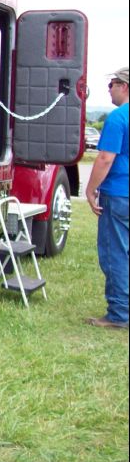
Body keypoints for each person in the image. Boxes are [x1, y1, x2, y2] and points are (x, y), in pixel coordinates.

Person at [85, 66, 129, 329]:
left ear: (124, 86)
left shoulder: (117, 118)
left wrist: (90, 190)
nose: (108, 89)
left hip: (120, 195)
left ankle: (119, 314)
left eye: (112, 83)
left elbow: (105, 158)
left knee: (116, 253)